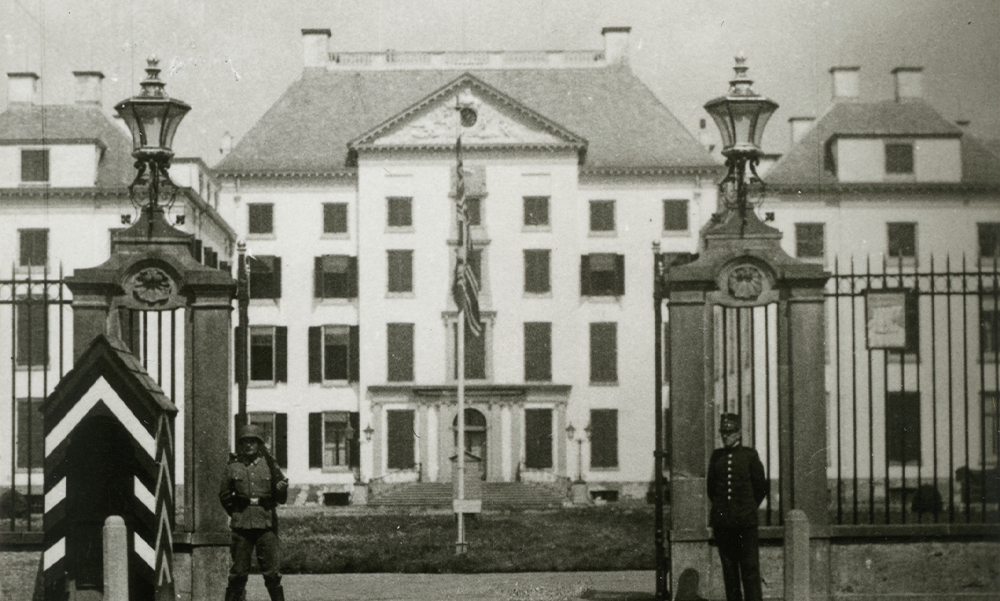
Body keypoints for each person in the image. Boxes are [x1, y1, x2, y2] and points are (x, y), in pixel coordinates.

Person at [219, 423, 289, 601]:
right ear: (240, 445)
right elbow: (224, 495)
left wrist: (281, 489)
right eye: (245, 442)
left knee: (272, 574)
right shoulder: (233, 467)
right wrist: (236, 513)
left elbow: (281, 498)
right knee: (239, 574)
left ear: (259, 444)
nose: (249, 445)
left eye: (253, 441)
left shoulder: (270, 466)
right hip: (242, 527)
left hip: (266, 525)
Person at [707, 412, 768, 601]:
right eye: (723, 432)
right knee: (730, 572)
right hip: (723, 525)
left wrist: (746, 509)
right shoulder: (716, 457)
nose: (725, 436)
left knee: (750, 569)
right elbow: (711, 489)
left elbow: (760, 488)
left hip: (745, 524)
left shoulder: (750, 456)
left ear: (739, 433)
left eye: (730, 432)